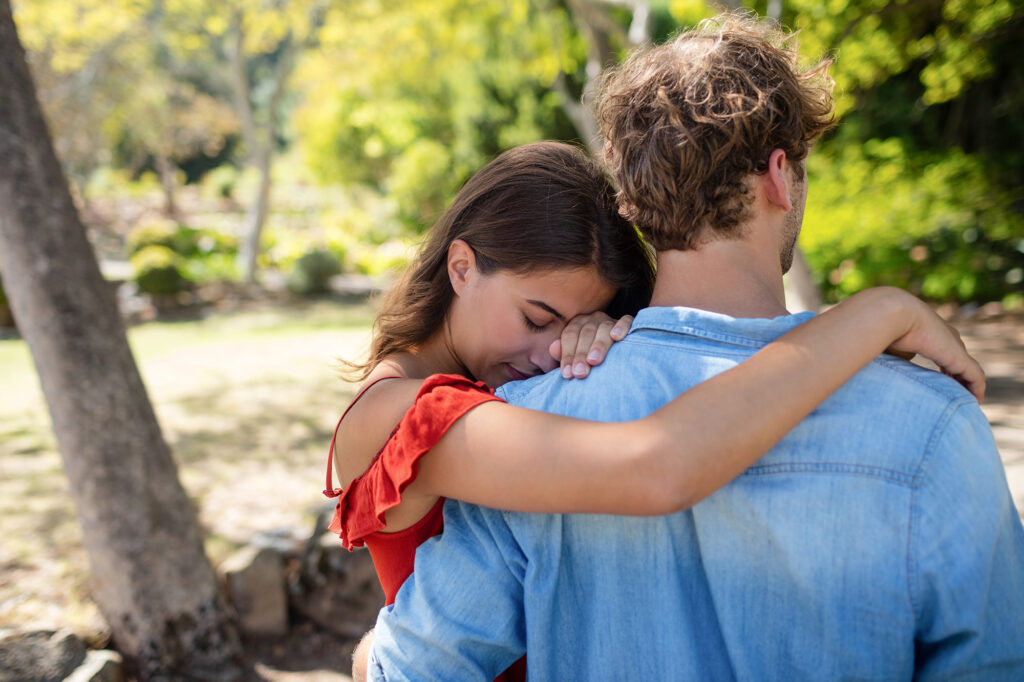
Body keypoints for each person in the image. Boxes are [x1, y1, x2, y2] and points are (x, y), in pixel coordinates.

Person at [364, 13, 1024, 681]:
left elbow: (409, 669)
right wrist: (880, 310)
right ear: (778, 176)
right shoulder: (933, 422)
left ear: (638, 203)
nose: (544, 344)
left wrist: (369, 657)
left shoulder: (538, 412)